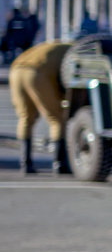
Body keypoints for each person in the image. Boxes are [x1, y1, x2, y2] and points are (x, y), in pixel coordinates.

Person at [9, 40, 72, 174]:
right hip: (36, 72)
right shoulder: (73, 51)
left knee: (26, 117)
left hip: (16, 70)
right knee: (56, 118)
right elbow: (67, 77)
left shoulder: (53, 46)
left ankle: (25, 163)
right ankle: (59, 164)